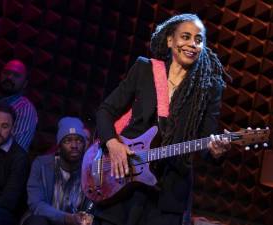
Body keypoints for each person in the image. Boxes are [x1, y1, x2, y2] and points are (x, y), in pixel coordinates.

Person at [94, 14, 231, 225]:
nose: (192, 44)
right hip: (123, 181)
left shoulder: (209, 89)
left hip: (166, 197)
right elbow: (105, 110)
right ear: (170, 40)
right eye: (185, 36)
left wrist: (216, 152)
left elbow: (206, 143)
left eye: (198, 40)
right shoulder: (145, 69)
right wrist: (112, 143)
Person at [23, 117, 93, 225]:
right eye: (68, 140)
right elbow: (36, 204)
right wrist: (67, 218)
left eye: (79, 140)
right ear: (59, 146)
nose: (74, 146)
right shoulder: (42, 165)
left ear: (84, 145)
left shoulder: (90, 170)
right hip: (47, 221)